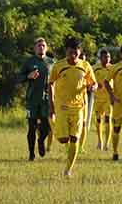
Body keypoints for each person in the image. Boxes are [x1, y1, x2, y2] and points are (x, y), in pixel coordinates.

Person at [48, 37, 96, 176]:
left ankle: (68, 170)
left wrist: (93, 86)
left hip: (79, 107)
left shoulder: (85, 65)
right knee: (63, 139)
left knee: (75, 138)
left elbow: (93, 82)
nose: (73, 55)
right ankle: (53, 125)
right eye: (70, 51)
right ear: (66, 51)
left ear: (80, 52)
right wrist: (51, 104)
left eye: (76, 52)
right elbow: (50, 83)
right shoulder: (59, 65)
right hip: (62, 106)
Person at [17, 37, 54, 161]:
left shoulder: (51, 62)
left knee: (46, 127)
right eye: (39, 45)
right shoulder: (29, 62)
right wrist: (28, 76)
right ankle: (31, 153)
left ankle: (41, 141)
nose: (41, 47)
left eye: (43, 45)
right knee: (31, 127)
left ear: (46, 48)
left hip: (46, 100)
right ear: (34, 48)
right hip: (32, 99)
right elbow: (19, 78)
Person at [92, 49, 113, 151]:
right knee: (98, 120)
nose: (107, 59)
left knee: (108, 119)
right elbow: (90, 80)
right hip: (97, 98)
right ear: (100, 58)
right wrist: (95, 84)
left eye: (108, 57)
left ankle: (107, 143)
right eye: (105, 57)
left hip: (108, 98)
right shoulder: (94, 68)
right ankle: (100, 141)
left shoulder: (112, 68)